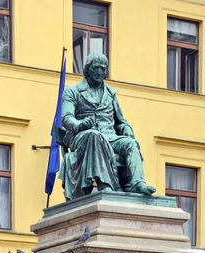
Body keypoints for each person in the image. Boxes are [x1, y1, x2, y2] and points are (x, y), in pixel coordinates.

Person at [60, 53, 156, 201]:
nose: (100, 71)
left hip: (110, 136)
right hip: (82, 136)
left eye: (103, 68)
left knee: (130, 143)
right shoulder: (72, 92)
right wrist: (80, 125)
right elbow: (66, 118)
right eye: (96, 67)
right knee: (94, 135)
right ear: (87, 69)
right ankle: (106, 185)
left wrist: (127, 129)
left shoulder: (110, 95)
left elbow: (121, 121)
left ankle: (137, 182)